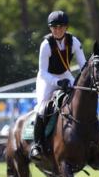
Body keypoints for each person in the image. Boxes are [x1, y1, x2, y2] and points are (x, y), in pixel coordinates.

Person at [29, 10, 87, 160]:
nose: (57, 30)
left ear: (66, 27)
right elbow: (42, 72)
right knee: (42, 109)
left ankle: (90, 139)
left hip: (65, 75)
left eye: (60, 27)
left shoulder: (74, 42)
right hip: (47, 79)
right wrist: (57, 82)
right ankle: (37, 144)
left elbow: (84, 66)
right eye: (54, 27)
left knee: (82, 100)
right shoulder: (45, 45)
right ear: (50, 28)